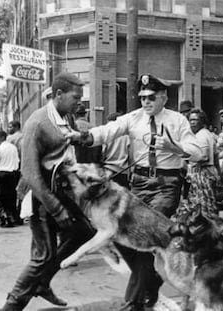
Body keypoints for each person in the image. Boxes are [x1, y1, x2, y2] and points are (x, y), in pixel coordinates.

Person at [84, 74, 203, 311]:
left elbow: (197, 152)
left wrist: (174, 147)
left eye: (151, 97)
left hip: (166, 184)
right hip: (138, 183)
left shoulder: (177, 120)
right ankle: (152, 281)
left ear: (164, 97)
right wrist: (85, 137)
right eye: (142, 97)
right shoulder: (134, 118)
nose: (146, 102)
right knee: (126, 240)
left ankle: (134, 301)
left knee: (145, 234)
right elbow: (109, 130)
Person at [0, 73, 96, 311]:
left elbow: (68, 152)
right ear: (58, 94)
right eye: (76, 97)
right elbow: (31, 174)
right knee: (42, 256)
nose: (80, 103)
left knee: (83, 232)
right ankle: (11, 306)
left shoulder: (68, 117)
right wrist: (55, 208)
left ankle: (43, 282)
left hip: (63, 192)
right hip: (40, 198)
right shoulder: (37, 123)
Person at [180, 108, 220, 220]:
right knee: (208, 204)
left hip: (202, 173)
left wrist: (186, 157)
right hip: (209, 172)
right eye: (190, 120)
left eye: (195, 120)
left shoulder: (201, 136)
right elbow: (216, 156)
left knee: (202, 205)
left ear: (202, 121)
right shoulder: (208, 134)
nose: (192, 122)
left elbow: (204, 156)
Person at [0, 130, 20, 227]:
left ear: (2, 137)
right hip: (12, 174)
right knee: (11, 197)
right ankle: (13, 217)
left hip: (1, 174)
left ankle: (5, 217)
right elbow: (17, 161)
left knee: (0, 197)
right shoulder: (13, 148)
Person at [101, 112, 130, 187]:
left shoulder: (106, 134)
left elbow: (102, 153)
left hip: (108, 170)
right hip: (123, 171)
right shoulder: (127, 135)